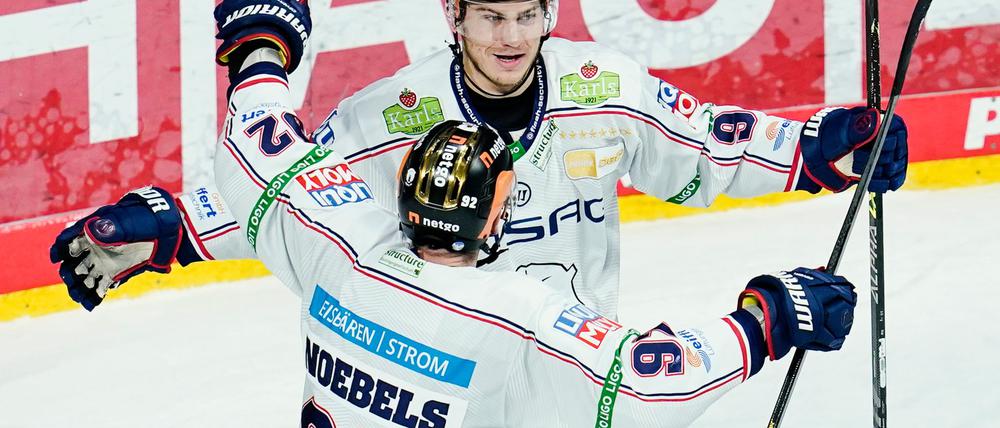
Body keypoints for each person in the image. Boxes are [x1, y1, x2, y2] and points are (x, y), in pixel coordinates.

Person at [53, 32, 858, 424]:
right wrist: (765, 321)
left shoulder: (340, 250)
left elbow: (269, 165)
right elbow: (644, 380)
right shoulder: (521, 317)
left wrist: (172, 225)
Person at [49, 0, 908, 317]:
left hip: (571, 359)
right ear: (453, 18)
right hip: (444, 362)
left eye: (525, 15)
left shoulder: (604, 85)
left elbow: (702, 148)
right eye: (488, 16)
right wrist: (167, 231)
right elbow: (298, 197)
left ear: (549, 14)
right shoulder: (390, 113)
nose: (509, 37)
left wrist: (818, 148)